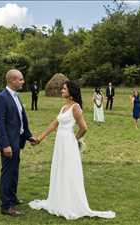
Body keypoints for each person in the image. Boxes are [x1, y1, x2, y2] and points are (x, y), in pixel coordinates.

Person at [29, 81, 115, 220]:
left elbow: (84, 128)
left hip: (68, 142)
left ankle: (70, 204)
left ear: (71, 91)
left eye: (64, 88)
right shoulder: (64, 107)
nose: (62, 90)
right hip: (59, 144)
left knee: (69, 171)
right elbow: (54, 124)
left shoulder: (75, 107)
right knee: (60, 169)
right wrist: (40, 138)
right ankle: (59, 201)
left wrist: (74, 139)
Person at [0, 69, 38, 217]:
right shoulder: (1, 98)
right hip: (8, 143)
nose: (23, 82)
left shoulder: (16, 96)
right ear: (12, 80)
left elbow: (20, 120)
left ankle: (12, 198)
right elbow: (0, 124)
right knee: (7, 173)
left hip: (17, 141)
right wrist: (5, 145)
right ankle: (6, 206)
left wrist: (28, 136)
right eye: (21, 79)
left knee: (14, 172)